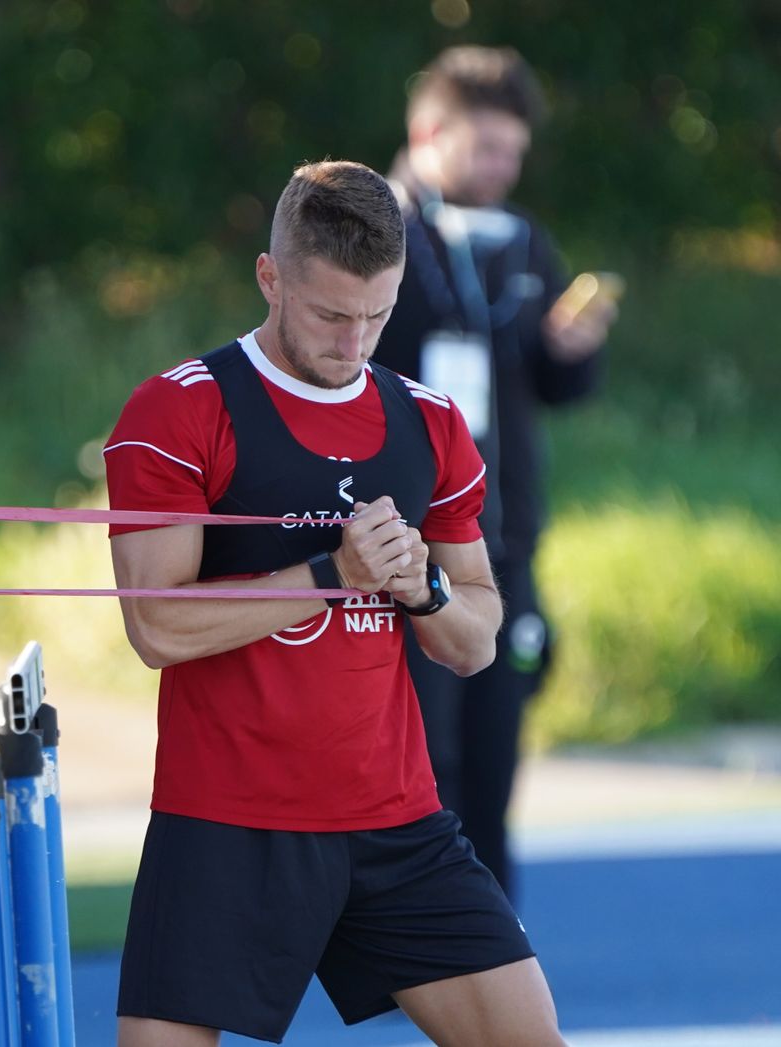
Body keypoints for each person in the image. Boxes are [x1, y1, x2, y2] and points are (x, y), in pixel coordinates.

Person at [104, 160, 565, 1046]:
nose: (355, 342)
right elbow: (157, 625)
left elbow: (471, 643)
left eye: (377, 315)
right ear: (270, 277)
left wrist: (419, 583)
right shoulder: (176, 411)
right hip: (227, 821)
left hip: (396, 817)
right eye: (329, 315)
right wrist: (327, 575)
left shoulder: (428, 423)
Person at [373, 46, 616, 899]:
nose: (502, 168)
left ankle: (492, 955)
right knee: (421, 759)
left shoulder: (524, 241)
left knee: (493, 756)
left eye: (512, 151)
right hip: (408, 548)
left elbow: (556, 386)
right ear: (427, 130)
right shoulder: (377, 230)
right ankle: (414, 950)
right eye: (485, 148)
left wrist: (571, 352)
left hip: (503, 544)